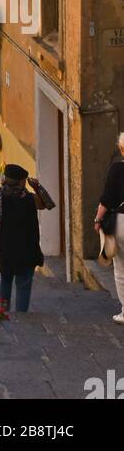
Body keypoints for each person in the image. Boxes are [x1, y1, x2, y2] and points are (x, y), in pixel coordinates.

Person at [0, 163, 54, 313]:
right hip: (27, 247)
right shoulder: (29, 198)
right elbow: (47, 204)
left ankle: (3, 310)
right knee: (23, 283)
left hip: (4, 247)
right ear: (21, 181)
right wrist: (37, 187)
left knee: (5, 280)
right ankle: (21, 314)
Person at [93, 131, 124, 324]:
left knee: (121, 268)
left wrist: (98, 220)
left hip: (122, 222)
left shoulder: (117, 170)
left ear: (121, 149)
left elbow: (106, 199)